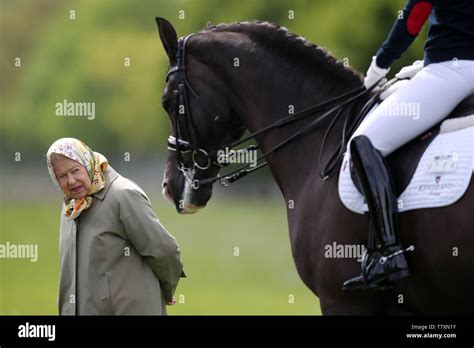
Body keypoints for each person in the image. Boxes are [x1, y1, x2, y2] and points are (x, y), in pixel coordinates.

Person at [343, 0, 474, 290]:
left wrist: (380, 64)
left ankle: (388, 253)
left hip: (451, 71)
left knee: (364, 143)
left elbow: (414, 16)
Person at [47, 137, 185, 314]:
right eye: (62, 176)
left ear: (88, 164)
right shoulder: (70, 206)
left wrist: (167, 289)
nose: (71, 180)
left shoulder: (123, 195)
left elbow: (164, 249)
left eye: (75, 170)